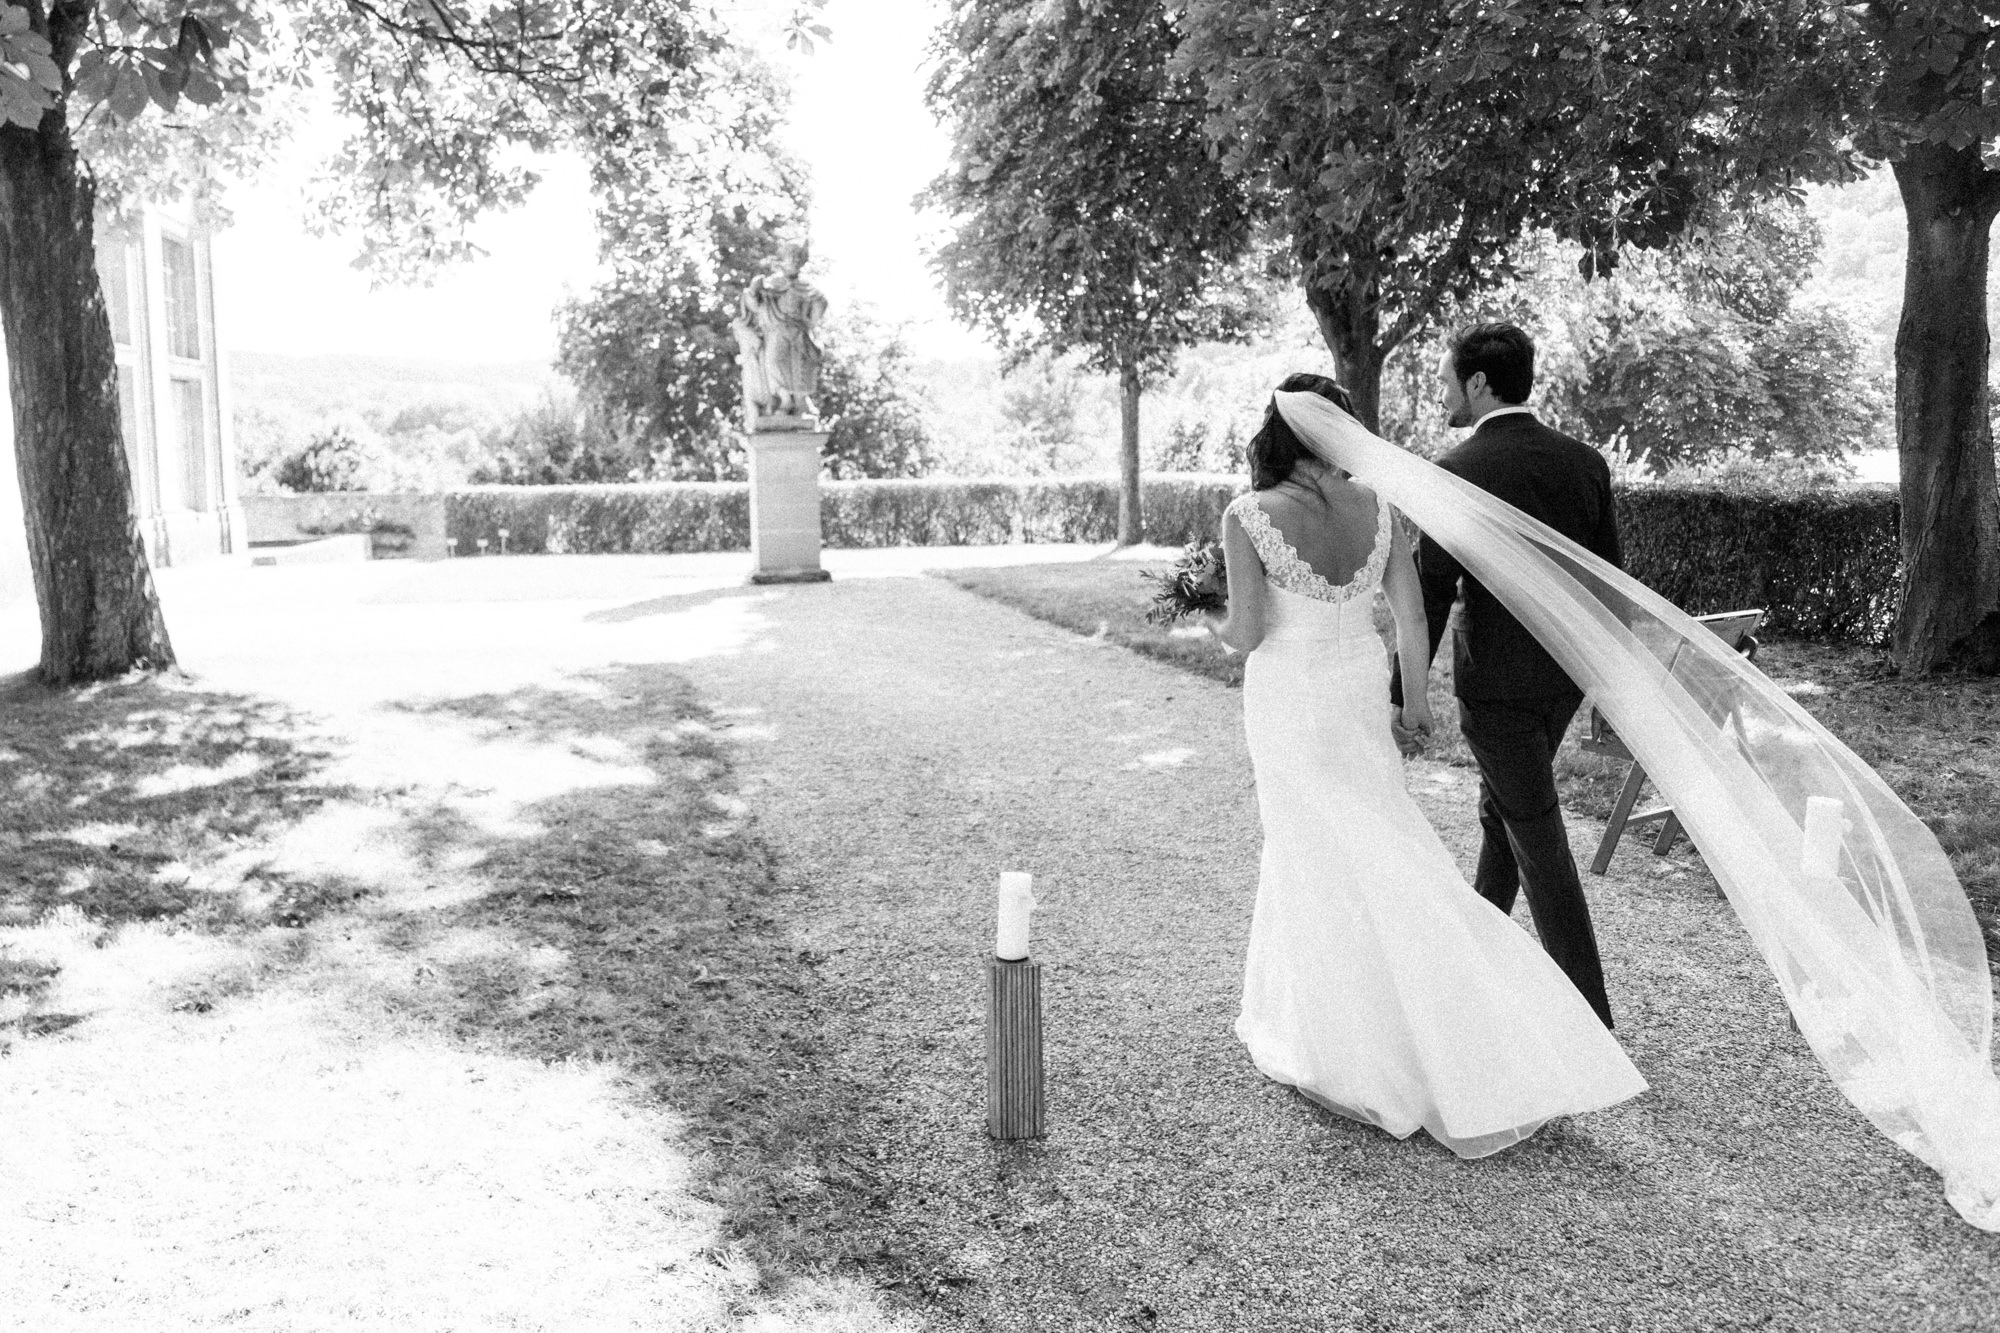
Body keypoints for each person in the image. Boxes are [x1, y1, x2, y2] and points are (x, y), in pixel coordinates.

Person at [1201, 373, 1645, 1158]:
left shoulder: (1249, 514)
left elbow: (1244, 633)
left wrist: (1200, 614)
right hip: (1358, 686)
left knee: (1310, 848)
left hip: (1290, 697)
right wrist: (1415, 705)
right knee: (1381, 835)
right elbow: (1410, 615)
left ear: (1276, 433)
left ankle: (1344, 1042)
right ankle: (1443, 1016)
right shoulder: (1381, 505)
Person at [1390, 323, 1621, 1028]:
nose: (1441, 391)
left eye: (1446, 378)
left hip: (1496, 688)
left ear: (1481, 383)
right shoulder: (1585, 463)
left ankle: (1588, 1016)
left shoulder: (1457, 472)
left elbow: (1431, 590)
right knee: (1506, 815)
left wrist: (1404, 696)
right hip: (1566, 680)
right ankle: (1475, 958)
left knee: (1534, 827)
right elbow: (1610, 580)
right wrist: (1607, 685)